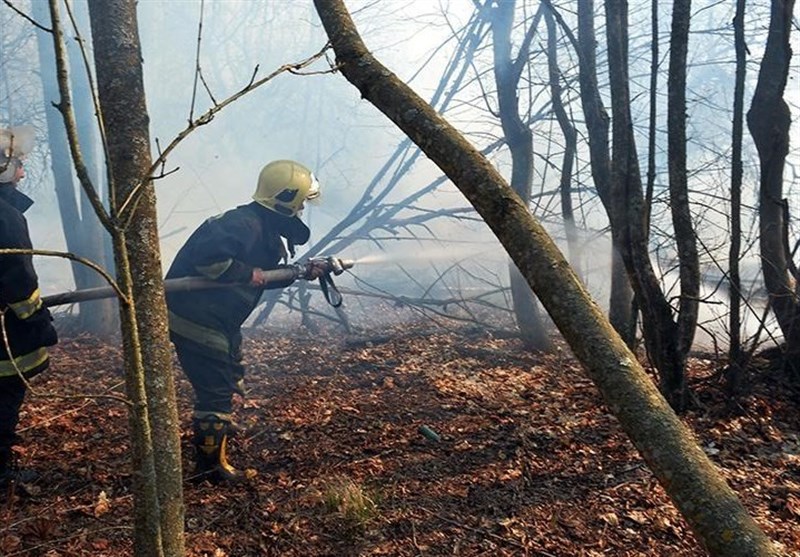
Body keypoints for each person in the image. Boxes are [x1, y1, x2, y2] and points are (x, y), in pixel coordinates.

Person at [166, 159, 326, 484]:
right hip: (195, 318)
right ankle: (210, 467)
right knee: (215, 389)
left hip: (216, 318)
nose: (301, 209)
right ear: (285, 200)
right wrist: (245, 273)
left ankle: (218, 427)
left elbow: (262, 275)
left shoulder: (260, 225)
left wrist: (300, 272)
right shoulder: (242, 225)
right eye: (300, 203)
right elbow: (209, 260)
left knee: (231, 368)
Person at [0, 126, 58, 494]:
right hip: (5, 334)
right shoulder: (6, 218)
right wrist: (38, 321)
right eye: (18, 165)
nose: (22, 172)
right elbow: (19, 280)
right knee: (4, 395)